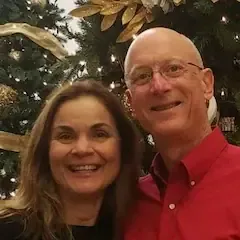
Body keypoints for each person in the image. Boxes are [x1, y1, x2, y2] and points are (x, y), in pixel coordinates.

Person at [123, 27, 240, 240]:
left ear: (206, 84)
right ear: (131, 103)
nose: (158, 86)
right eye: (142, 76)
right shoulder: (127, 203)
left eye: (174, 69)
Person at [0, 79, 142, 240]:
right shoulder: (7, 231)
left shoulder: (140, 230)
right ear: (44, 150)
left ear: (122, 147)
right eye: (65, 136)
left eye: (100, 134)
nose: (82, 149)